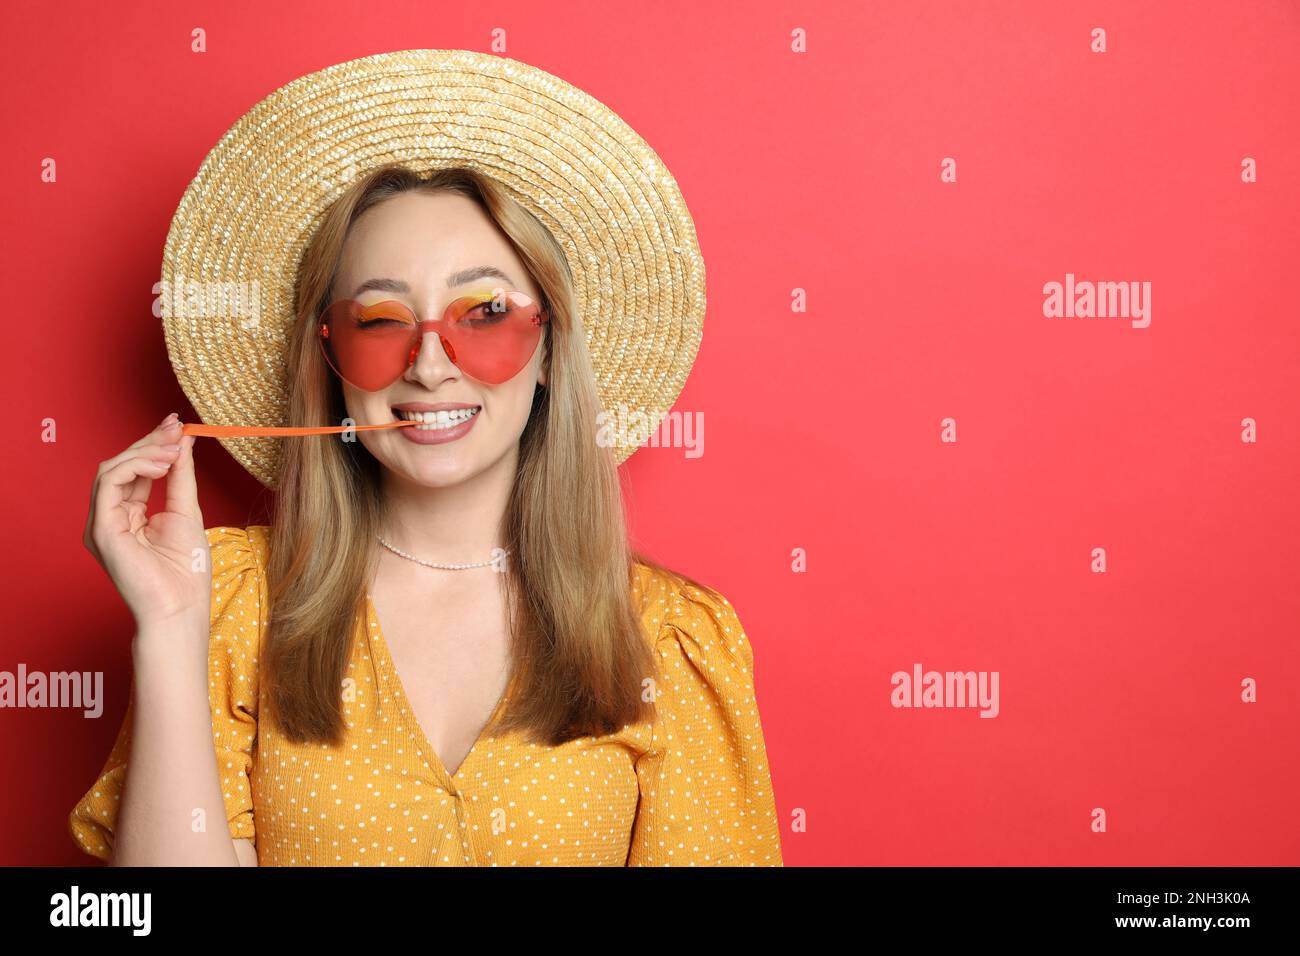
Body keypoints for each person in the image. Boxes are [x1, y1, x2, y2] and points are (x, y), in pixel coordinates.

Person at [67, 50, 782, 866]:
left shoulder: (671, 638)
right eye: (380, 319)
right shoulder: (229, 606)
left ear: (550, 349)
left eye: (484, 311)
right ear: (330, 359)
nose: (430, 364)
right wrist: (167, 628)